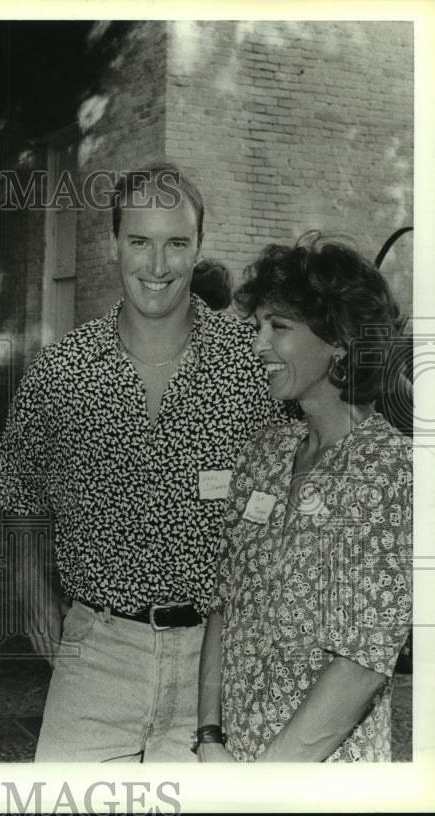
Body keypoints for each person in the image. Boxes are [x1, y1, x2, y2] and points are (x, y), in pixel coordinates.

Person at [0, 161, 286, 762]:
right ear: (113, 245)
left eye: (177, 243)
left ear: (199, 246)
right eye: (140, 242)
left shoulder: (253, 368)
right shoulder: (62, 372)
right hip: (96, 657)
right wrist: (31, 594)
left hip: (219, 664)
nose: (157, 267)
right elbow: (21, 497)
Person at [196, 233, 412, 762]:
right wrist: (209, 738)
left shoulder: (389, 469)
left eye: (280, 328)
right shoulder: (265, 451)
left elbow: (361, 665)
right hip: (232, 761)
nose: (258, 345)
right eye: (257, 327)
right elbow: (225, 604)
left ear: (338, 340)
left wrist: (261, 786)